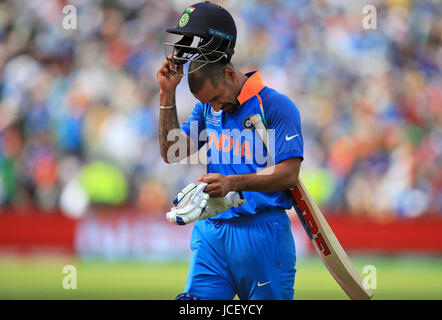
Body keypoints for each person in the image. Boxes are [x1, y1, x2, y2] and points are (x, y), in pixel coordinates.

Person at [156, 1, 303, 300]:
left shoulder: (275, 106)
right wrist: (167, 93)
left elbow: (289, 174)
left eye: (216, 99)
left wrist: (234, 183)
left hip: (264, 235)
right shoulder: (205, 107)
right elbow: (171, 151)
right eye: (208, 103)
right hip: (211, 234)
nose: (214, 109)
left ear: (232, 76)